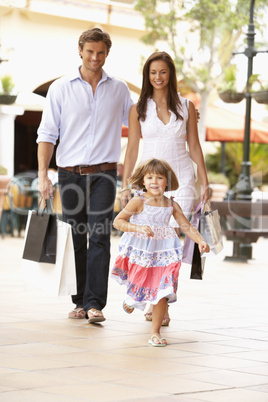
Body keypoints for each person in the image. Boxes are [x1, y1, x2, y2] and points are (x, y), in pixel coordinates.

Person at [37, 28, 133, 323]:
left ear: (107, 53)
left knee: (101, 236)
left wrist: (184, 110)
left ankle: (95, 304)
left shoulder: (119, 89)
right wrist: (43, 175)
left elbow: (142, 121)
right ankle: (79, 301)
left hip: (105, 174)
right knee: (76, 237)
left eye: (101, 52)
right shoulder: (61, 88)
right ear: (80, 50)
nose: (95, 57)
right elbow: (47, 134)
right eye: (90, 51)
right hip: (69, 175)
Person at [120, 51, 209, 325]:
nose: (158, 77)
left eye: (163, 72)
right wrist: (125, 184)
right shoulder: (138, 109)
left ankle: (161, 305)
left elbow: (194, 146)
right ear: (147, 76)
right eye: (153, 72)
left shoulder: (186, 106)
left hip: (181, 179)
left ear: (171, 75)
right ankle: (151, 296)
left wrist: (204, 180)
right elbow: (133, 148)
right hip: (150, 183)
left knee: (170, 245)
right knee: (151, 241)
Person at [111, 158, 210, 347]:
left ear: (167, 181)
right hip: (142, 251)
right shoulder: (138, 201)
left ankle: (155, 332)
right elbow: (118, 222)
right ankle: (131, 298)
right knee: (139, 282)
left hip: (165, 251)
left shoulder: (171, 204)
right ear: (143, 181)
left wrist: (201, 241)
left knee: (163, 290)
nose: (154, 181)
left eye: (159, 177)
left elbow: (186, 226)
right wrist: (137, 228)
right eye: (149, 177)